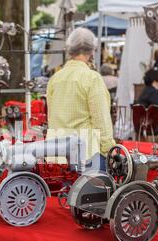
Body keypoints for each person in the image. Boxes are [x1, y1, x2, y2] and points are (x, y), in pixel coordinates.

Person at [47, 27, 115, 171]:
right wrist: (110, 149)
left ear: (70, 50)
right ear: (92, 51)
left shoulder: (55, 79)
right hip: (87, 153)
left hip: (56, 154)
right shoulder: (92, 78)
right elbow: (101, 121)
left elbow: (51, 118)